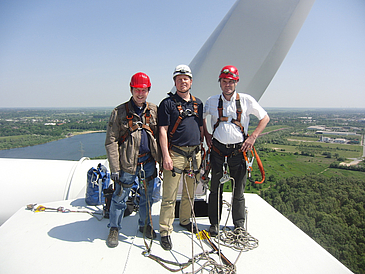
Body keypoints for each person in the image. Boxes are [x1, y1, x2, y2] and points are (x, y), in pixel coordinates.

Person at [203, 65, 270, 237]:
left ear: (236, 82)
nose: (228, 85)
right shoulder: (211, 101)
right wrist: (206, 134)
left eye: (231, 82)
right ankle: (214, 224)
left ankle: (239, 225)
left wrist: (253, 136)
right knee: (215, 188)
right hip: (217, 150)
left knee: (238, 190)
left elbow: (265, 118)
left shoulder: (246, 100)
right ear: (220, 82)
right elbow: (201, 118)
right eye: (225, 81)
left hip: (238, 151)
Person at [105, 72, 160, 248]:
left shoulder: (153, 110)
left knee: (147, 197)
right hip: (127, 164)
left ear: (148, 91)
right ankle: (114, 227)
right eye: (137, 90)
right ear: (131, 89)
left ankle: (145, 225)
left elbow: (161, 134)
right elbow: (111, 141)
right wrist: (115, 167)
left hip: (148, 162)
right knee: (120, 196)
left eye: (144, 90)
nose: (140, 94)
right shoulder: (119, 112)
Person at [158, 64, 204, 251]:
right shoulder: (167, 104)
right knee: (169, 195)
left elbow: (201, 128)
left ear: (191, 81)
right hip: (175, 154)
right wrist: (165, 156)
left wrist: (203, 151)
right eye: (179, 79)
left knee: (190, 192)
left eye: (186, 78)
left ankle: (184, 220)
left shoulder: (197, 104)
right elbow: (162, 130)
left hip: (194, 154)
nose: (182, 81)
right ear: (175, 82)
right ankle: (165, 231)